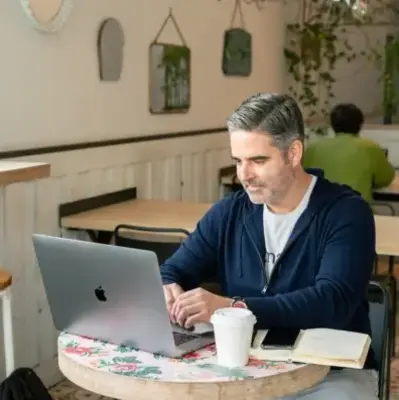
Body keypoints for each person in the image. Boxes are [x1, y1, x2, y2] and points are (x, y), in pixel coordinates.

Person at [160, 93, 378, 399]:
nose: (244, 175)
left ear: (293, 153)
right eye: (238, 161)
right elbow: (174, 269)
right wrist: (167, 285)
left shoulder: (346, 213)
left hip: (330, 374)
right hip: (245, 372)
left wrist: (231, 308)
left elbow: (332, 301)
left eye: (258, 160)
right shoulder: (230, 212)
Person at [303, 103, 395, 203]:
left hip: (319, 212)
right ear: (360, 124)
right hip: (356, 210)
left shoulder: (314, 148)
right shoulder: (370, 147)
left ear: (332, 124)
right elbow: (386, 178)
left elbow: (302, 177)